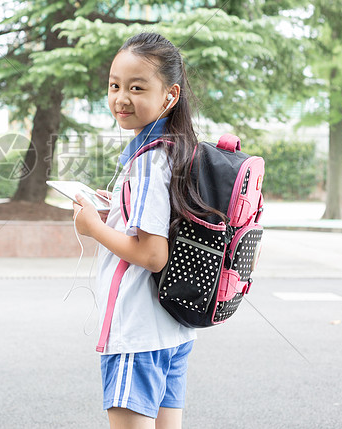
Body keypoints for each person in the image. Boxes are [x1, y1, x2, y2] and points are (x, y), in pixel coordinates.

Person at [73, 32, 214, 429]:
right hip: (172, 329)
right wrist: (114, 209)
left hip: (137, 330)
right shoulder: (179, 148)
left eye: (137, 87)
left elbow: (153, 255)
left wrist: (92, 228)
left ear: (169, 96)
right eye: (114, 85)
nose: (121, 98)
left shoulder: (150, 160)